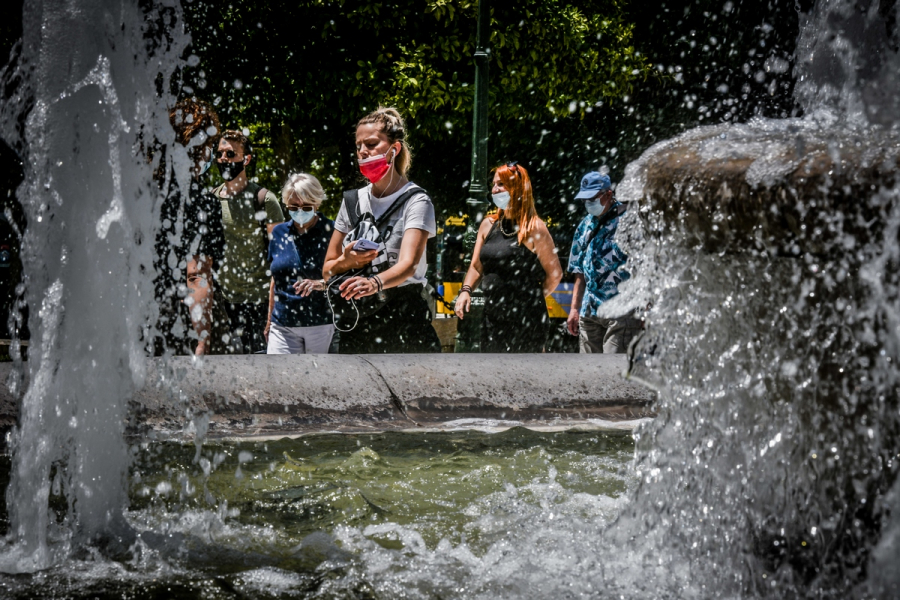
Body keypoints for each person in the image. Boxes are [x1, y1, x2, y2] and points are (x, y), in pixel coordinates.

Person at [322, 107, 440, 354]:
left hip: (404, 319)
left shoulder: (417, 201)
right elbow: (328, 269)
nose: (363, 152)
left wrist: (374, 283)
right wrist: (346, 260)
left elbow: (408, 264)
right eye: (358, 146)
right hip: (357, 321)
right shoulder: (352, 201)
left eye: (372, 144)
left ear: (394, 149)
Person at [454, 162, 563, 352]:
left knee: (524, 379)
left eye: (501, 184)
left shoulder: (534, 227)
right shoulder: (488, 224)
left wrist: (529, 298)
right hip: (492, 318)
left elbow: (555, 274)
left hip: (526, 321)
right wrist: (465, 291)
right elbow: (476, 267)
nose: (495, 190)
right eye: (494, 184)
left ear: (518, 188)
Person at [212, 130, 285, 353]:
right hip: (223, 305)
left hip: (260, 303)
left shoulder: (264, 199)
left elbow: (281, 255)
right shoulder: (211, 200)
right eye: (220, 153)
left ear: (246, 159)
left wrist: (275, 308)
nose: (223, 159)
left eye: (230, 154)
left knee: (263, 371)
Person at [566, 171, 641, 353]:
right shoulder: (584, 226)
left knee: (611, 373)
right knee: (588, 373)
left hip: (620, 312)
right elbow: (579, 273)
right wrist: (574, 309)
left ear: (609, 194)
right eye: (584, 199)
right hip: (589, 313)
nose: (588, 203)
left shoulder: (629, 222)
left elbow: (643, 266)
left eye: (592, 197)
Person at [264, 173, 335, 354]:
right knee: (281, 379)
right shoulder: (279, 232)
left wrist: (320, 284)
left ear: (317, 204)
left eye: (306, 206)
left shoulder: (333, 231)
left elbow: (343, 276)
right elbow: (275, 279)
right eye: (294, 206)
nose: (300, 211)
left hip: (321, 323)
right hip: (282, 325)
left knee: (319, 381)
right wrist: (269, 320)